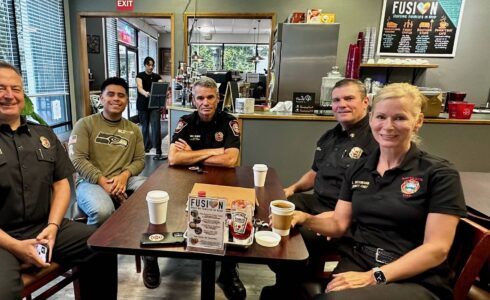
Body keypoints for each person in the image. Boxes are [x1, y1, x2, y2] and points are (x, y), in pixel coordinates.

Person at [0, 60, 111, 299]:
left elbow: (62, 184)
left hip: (44, 229)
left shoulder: (44, 135)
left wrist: (53, 226)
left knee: (103, 245)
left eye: (15, 89)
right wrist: (14, 246)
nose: (9, 95)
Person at [291, 83, 467, 299]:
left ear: (418, 121)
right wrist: (303, 218)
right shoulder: (359, 168)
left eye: (400, 118)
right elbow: (338, 224)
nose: (388, 126)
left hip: (414, 278)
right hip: (359, 261)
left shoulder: (439, 173)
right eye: (381, 117)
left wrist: (375, 276)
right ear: (372, 118)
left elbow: (436, 249)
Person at [261, 79, 378, 297]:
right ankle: (286, 282)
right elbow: (315, 174)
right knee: (278, 211)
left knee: (298, 237)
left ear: (365, 102)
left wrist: (337, 215)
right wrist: (291, 189)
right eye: (336, 100)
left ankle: (292, 288)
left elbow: (375, 195)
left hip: (349, 216)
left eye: (349, 98)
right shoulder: (330, 137)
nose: (342, 104)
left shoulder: (375, 140)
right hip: (317, 202)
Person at [68, 77, 158, 289]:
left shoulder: (133, 129)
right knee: (102, 210)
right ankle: (93, 260)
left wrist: (124, 176)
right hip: (90, 182)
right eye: (110, 94)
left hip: (123, 179)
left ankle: (149, 254)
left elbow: (139, 161)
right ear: (101, 98)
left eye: (121, 95)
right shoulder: (86, 124)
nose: (116, 99)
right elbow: (77, 159)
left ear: (127, 100)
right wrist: (103, 182)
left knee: (152, 197)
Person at [169, 76, 244, 299]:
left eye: (210, 97)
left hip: (222, 179)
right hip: (186, 180)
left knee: (230, 217)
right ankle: (153, 258)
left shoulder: (230, 122)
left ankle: (228, 272)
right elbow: (173, 159)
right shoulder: (185, 120)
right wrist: (215, 151)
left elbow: (231, 160)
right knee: (173, 213)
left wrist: (191, 155)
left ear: (218, 98)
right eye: (200, 97)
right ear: (193, 100)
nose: (205, 102)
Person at [136, 56, 166, 160]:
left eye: (152, 65)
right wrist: (145, 93)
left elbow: (161, 86)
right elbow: (139, 87)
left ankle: (158, 148)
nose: (151, 67)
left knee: (156, 126)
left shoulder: (157, 76)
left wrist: (163, 89)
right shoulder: (140, 75)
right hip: (143, 103)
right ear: (145, 65)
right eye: (149, 65)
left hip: (154, 104)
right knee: (145, 127)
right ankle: (146, 147)